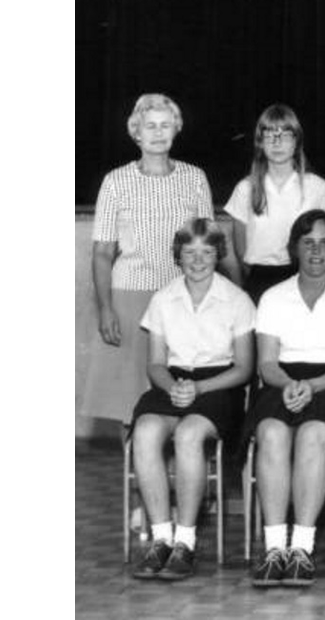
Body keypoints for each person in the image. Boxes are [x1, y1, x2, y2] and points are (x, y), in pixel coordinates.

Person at [245, 210, 325, 588]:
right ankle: (273, 549)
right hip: (282, 382)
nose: (316, 250)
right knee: (271, 433)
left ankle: (301, 548)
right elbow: (266, 362)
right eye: (308, 242)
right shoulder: (272, 297)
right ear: (295, 248)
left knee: (312, 434)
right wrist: (287, 384)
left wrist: (312, 386)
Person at [84, 93, 223, 425]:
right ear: (136, 132)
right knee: (128, 397)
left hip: (183, 296)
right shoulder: (115, 182)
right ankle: (137, 471)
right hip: (130, 296)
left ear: (176, 129)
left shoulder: (194, 178)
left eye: (165, 125)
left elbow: (209, 241)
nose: (158, 132)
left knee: (178, 387)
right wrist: (106, 308)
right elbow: (103, 253)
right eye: (150, 126)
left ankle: (175, 467)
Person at [129, 219, 256, 580]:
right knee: (146, 430)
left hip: (219, 385)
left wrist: (199, 389)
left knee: (188, 435)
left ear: (218, 255)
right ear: (178, 255)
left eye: (206, 252)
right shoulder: (163, 298)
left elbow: (244, 368)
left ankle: (185, 541)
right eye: (189, 252)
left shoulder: (237, 299)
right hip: (172, 382)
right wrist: (173, 386)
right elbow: (154, 363)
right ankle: (161, 538)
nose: (198, 260)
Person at [224, 103, 325, 304]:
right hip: (259, 279)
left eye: (285, 135)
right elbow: (241, 249)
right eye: (269, 136)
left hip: (303, 277)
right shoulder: (245, 188)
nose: (277, 143)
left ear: (297, 142)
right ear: (260, 143)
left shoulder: (317, 187)